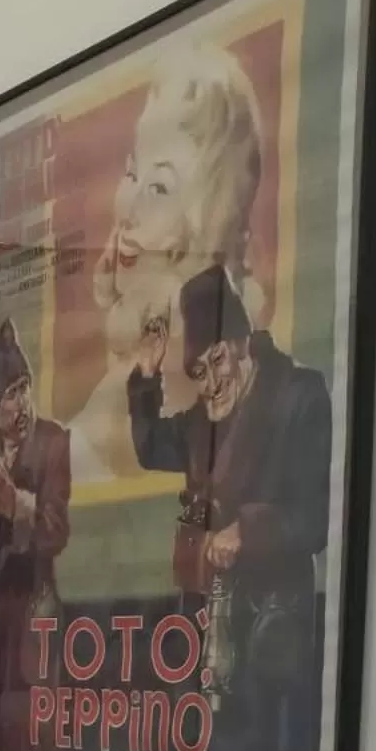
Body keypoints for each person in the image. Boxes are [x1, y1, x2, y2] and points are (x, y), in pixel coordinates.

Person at [129, 264, 332, 751]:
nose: (211, 380)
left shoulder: (300, 396)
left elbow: (317, 518)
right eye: (199, 370)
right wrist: (147, 373)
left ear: (245, 343)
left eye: (220, 360)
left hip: (277, 635)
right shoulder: (200, 425)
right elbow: (146, 447)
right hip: (215, 636)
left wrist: (251, 528)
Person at [66, 46, 264, 482]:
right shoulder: (134, 384)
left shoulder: (201, 394)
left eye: (158, 188)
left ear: (202, 227)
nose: (125, 207)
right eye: (132, 174)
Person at [0, 319, 71, 699]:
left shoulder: (52, 441)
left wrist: (19, 507)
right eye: (11, 393)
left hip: (35, 616)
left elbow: (57, 530)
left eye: (24, 387)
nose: (22, 402)